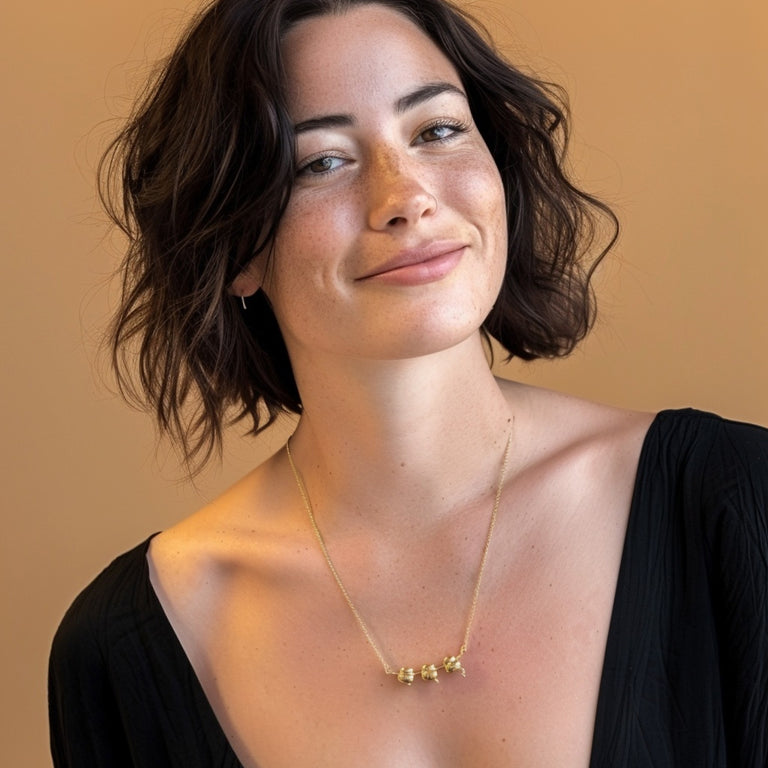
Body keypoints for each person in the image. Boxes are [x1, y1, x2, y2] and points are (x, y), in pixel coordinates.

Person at [48, 0, 768, 765]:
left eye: (436, 131)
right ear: (234, 248)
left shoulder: (736, 502)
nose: (406, 197)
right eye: (321, 161)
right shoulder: (124, 648)